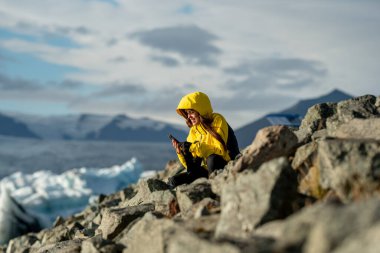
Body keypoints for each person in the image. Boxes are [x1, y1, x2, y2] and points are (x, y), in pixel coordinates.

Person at [168, 91, 240, 189]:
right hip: (206, 171)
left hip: (226, 166)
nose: (189, 116)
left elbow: (219, 150)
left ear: (200, 110)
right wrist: (181, 152)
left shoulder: (217, 120)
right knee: (174, 180)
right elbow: (192, 167)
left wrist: (193, 147)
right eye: (187, 113)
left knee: (212, 159)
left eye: (191, 112)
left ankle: (214, 191)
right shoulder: (194, 130)